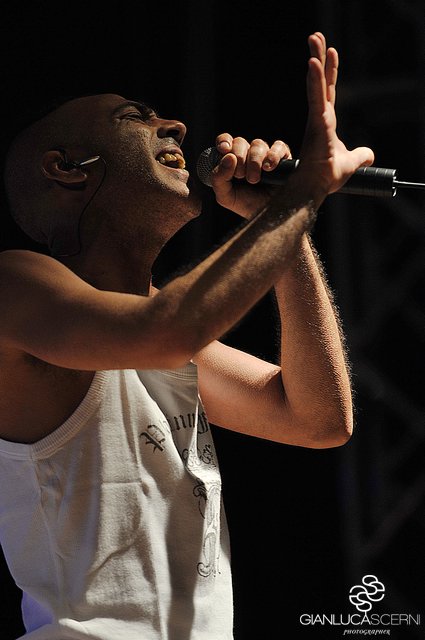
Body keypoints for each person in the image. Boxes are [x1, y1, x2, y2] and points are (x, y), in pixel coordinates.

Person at [0, 32, 373, 640]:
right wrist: (300, 197)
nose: (173, 124)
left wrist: (281, 220)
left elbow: (317, 419)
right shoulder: (16, 286)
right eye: (134, 118)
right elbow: (167, 332)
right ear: (67, 169)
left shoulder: (162, 328)